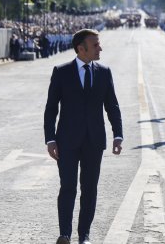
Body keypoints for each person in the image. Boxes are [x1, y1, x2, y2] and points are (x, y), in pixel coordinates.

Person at [43, 28, 123, 244]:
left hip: (94, 141)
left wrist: (118, 134)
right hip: (66, 141)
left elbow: (112, 106)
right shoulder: (61, 72)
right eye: (95, 45)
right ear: (81, 49)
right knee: (67, 187)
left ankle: (84, 235)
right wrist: (50, 139)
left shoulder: (104, 72)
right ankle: (65, 234)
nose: (100, 48)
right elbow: (51, 108)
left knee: (89, 189)